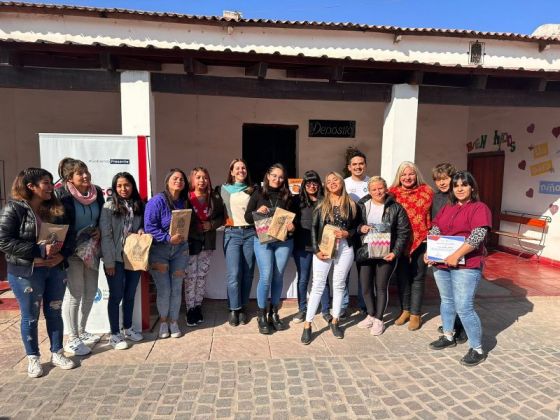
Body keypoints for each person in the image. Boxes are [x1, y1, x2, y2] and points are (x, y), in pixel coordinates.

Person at [0, 168, 76, 377]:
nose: (51, 186)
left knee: (54, 311)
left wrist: (63, 255)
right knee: (30, 316)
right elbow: (4, 241)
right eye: (45, 182)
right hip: (27, 272)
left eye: (51, 181)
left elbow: (70, 235)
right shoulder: (14, 209)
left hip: (55, 270)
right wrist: (39, 250)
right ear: (30, 186)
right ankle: (33, 357)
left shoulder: (56, 208)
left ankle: (57, 352)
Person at [427, 171, 491, 366]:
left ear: (472, 187)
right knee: (447, 301)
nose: (460, 188)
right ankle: (448, 335)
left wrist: (457, 254)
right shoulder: (448, 207)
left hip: (467, 264)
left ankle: (477, 348)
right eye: (457, 185)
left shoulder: (479, 208)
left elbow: (478, 235)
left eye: (464, 185)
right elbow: (436, 228)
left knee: (464, 307)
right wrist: (430, 251)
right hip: (442, 263)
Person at [301, 172, 359, 344]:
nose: (332, 183)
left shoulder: (351, 204)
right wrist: (316, 249)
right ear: (325, 185)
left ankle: (335, 321)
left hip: (344, 248)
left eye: (335, 180)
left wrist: (347, 233)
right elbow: (313, 227)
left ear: (342, 182)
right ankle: (308, 324)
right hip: (324, 247)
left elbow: (356, 228)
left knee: (339, 284)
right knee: (318, 284)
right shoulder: (321, 202)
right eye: (329, 181)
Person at [56, 158, 105, 355]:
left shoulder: (97, 192)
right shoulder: (63, 196)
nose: (85, 176)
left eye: (86, 172)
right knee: (75, 293)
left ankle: (82, 330)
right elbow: (58, 223)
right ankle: (72, 338)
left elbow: (103, 217)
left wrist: (99, 231)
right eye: (79, 173)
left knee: (91, 291)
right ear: (70, 178)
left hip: (92, 249)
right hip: (72, 251)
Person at [356, 176, 411, 335]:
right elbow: (354, 225)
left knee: (380, 287)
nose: (378, 191)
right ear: (370, 191)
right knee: (365, 287)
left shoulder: (396, 208)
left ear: (386, 189)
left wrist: (395, 252)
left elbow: (403, 232)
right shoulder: (362, 205)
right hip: (366, 251)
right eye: (374, 189)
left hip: (386, 253)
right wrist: (361, 228)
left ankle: (379, 319)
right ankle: (371, 315)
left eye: (380, 188)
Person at [244, 163, 295, 335]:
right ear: (268, 175)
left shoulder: (288, 195)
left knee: (278, 276)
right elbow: (247, 217)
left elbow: (294, 220)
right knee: (266, 276)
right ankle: (261, 315)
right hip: (262, 240)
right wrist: (257, 211)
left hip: (283, 241)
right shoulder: (258, 193)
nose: (277, 179)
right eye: (274, 175)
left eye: (281, 177)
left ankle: (274, 313)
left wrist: (292, 227)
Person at [100, 172, 145, 350]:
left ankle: (128, 328)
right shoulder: (109, 207)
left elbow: (138, 225)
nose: (123, 189)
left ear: (132, 186)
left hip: (133, 257)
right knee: (116, 295)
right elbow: (106, 235)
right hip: (115, 258)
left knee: (130, 294)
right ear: (114, 188)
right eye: (119, 186)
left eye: (126, 185)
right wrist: (109, 262)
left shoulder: (137, 205)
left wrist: (140, 229)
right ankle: (114, 334)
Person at [144, 168, 190, 339]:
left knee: (177, 288)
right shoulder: (156, 201)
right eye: (175, 178)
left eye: (182, 179)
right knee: (164, 289)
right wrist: (167, 238)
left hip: (180, 250)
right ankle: (163, 322)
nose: (179, 181)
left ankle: (174, 321)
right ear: (167, 181)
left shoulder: (184, 202)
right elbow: (149, 227)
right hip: (160, 250)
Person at [389, 161, 434, 331]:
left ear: (416, 175)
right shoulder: (392, 193)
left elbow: (433, 216)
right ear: (399, 177)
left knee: (418, 277)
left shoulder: (427, 192)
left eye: (411, 174)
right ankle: (405, 310)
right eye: (404, 175)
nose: (407, 177)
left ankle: (416, 314)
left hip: (421, 241)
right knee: (402, 278)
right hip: (400, 243)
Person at [184, 167, 225, 326]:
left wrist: (212, 224)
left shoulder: (214, 197)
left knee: (201, 277)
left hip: (207, 242)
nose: (202, 180)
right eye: (198, 177)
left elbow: (222, 217)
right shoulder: (186, 197)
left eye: (205, 177)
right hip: (191, 242)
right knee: (190, 277)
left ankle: (198, 307)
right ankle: (189, 309)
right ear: (192, 180)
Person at [431, 163, 466, 343]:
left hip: (458, 248)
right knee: (446, 293)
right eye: (438, 179)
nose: (442, 182)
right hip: (440, 248)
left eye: (445, 178)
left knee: (460, 292)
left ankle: (461, 326)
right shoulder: (435, 198)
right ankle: (450, 324)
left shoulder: (460, 195)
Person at [220, 158, 256, 326]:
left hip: (250, 233)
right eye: (237, 168)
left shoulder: (253, 190)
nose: (241, 170)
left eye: (243, 167)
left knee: (248, 273)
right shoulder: (223, 190)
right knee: (234, 274)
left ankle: (242, 306)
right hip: (232, 234)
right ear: (232, 172)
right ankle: (234, 309)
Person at [291, 170, 331, 324]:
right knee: (303, 279)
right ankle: (302, 309)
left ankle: (326, 310)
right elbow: (290, 220)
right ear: (304, 185)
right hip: (302, 245)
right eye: (308, 183)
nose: (312, 186)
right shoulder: (296, 201)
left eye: (314, 182)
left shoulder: (325, 200)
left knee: (322, 279)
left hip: (322, 246)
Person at [342, 150, 369, 316]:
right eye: (355, 164)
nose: (358, 167)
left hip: (367, 233)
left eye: (361, 164)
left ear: (365, 165)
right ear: (349, 167)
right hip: (348, 232)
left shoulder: (372, 182)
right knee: (343, 270)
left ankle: (364, 305)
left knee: (364, 271)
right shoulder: (343, 183)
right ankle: (343, 305)